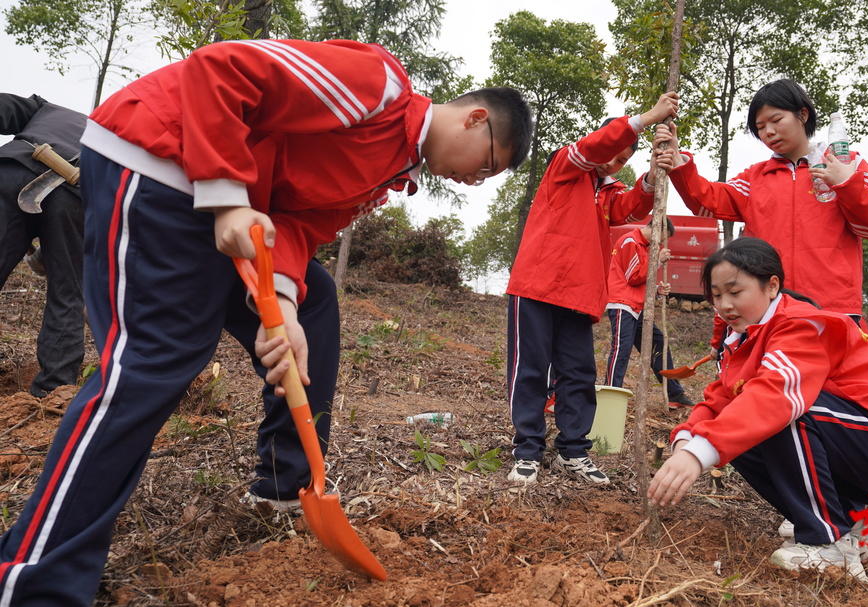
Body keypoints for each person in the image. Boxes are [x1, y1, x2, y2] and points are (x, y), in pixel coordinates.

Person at [0, 39, 532, 606]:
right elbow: (221, 72)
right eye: (488, 166)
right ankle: (35, 580)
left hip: (214, 205)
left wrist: (281, 307)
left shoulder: (389, 172)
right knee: (151, 366)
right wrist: (228, 196)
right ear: (476, 119)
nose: (475, 181)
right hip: (159, 166)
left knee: (317, 301)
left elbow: (297, 225)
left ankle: (282, 484)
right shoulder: (380, 86)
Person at [648, 237, 868, 582]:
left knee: (782, 414)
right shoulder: (745, 338)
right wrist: (686, 441)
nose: (724, 305)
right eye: (716, 295)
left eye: (735, 292)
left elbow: (777, 393)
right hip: (859, 443)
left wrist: (698, 455)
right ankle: (854, 528)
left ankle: (827, 543)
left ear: (772, 286)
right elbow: (719, 401)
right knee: (738, 428)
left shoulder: (801, 324)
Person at [505, 95, 679, 485]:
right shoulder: (565, 166)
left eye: (623, 160)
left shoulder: (609, 192)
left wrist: (652, 174)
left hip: (580, 295)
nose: (615, 162)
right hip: (537, 284)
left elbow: (631, 208)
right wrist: (647, 117)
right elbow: (590, 150)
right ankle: (528, 449)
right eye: (613, 152)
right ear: (601, 139)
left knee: (579, 373)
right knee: (530, 369)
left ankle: (573, 449)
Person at [652, 78, 868, 329]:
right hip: (769, 312)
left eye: (776, 120)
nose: (769, 132)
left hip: (833, 311)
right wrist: (678, 161)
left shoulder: (846, 164)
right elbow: (708, 201)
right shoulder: (755, 179)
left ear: (803, 114)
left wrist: (846, 184)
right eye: (761, 127)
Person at [0, 93, 87, 397]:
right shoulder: (115, 139)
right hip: (77, 193)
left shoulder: (47, 109)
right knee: (68, 293)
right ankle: (54, 392)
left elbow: (3, 108)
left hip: (15, 168)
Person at [604, 216, 694, 409]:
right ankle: (610, 395)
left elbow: (642, 279)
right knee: (621, 349)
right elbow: (633, 276)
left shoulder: (645, 248)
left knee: (659, 342)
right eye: (662, 237)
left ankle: (674, 394)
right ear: (656, 228)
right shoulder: (631, 241)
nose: (661, 242)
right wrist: (658, 261)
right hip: (623, 304)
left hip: (638, 307)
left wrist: (656, 290)